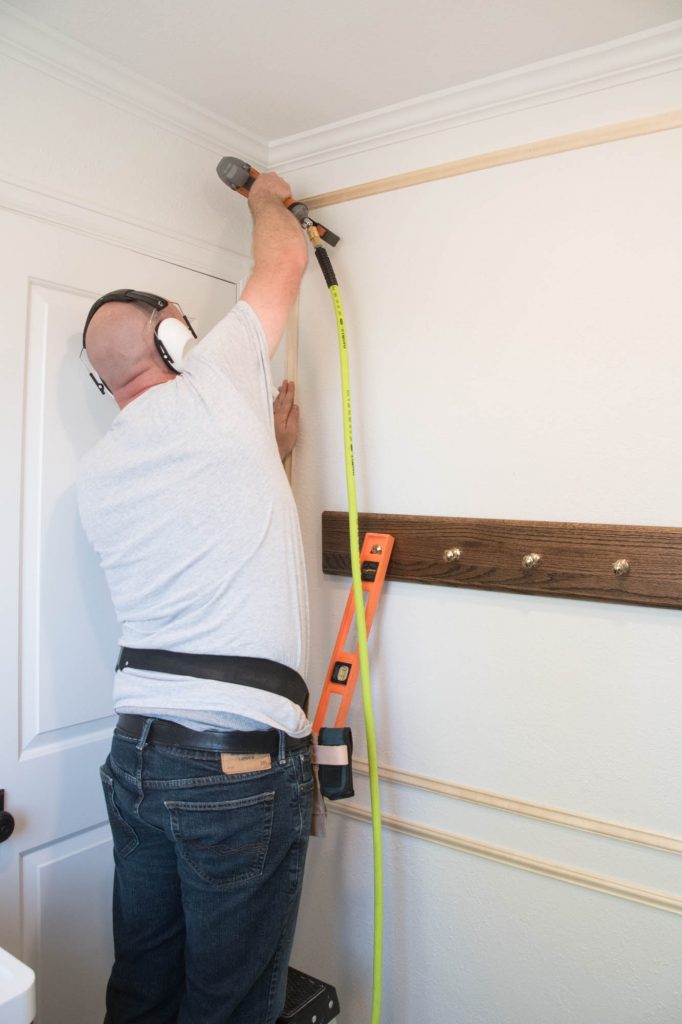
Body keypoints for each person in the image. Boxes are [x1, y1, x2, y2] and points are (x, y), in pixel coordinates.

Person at [77, 171, 313, 1024]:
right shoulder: (215, 386)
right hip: (232, 766)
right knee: (231, 1000)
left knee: (145, 982)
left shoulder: (96, 476)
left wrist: (270, 456)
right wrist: (267, 197)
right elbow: (283, 260)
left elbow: (202, 540)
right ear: (177, 337)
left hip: (136, 757)